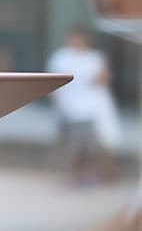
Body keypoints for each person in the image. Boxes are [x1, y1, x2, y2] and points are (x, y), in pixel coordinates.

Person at [47, 24, 122, 185]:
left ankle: (86, 174)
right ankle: (73, 174)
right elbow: (53, 84)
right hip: (69, 109)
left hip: (89, 109)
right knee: (73, 146)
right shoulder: (61, 57)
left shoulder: (93, 58)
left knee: (88, 146)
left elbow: (103, 80)